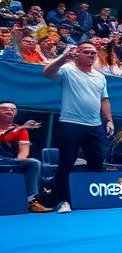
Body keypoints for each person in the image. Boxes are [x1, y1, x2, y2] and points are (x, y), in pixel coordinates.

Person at [37, 42, 113, 212]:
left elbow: (104, 100)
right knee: (67, 162)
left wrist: (109, 120)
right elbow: (47, 73)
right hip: (71, 123)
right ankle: (63, 200)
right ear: (77, 53)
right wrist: (64, 57)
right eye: (87, 52)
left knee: (97, 161)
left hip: (94, 125)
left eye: (94, 53)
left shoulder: (100, 77)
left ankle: (92, 197)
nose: (92, 55)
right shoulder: (68, 69)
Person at [0, 101, 45, 212]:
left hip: (8, 160)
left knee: (34, 163)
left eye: (13, 109)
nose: (9, 110)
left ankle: (31, 201)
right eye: (5, 108)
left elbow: (23, 152)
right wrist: (20, 129)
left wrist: (19, 162)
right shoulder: (20, 129)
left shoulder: (21, 129)